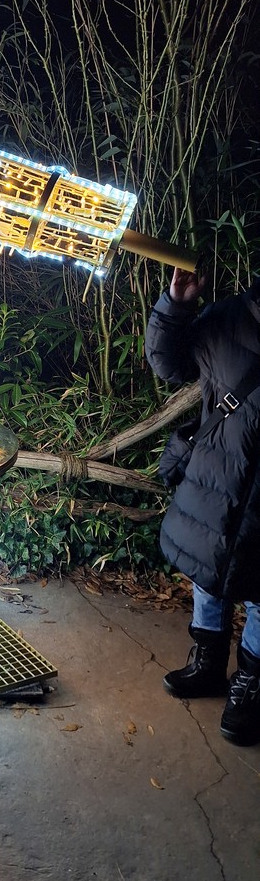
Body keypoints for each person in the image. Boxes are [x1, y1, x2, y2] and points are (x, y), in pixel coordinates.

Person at [145, 264, 260, 746]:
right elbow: (169, 364)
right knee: (207, 573)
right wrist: (176, 306)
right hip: (215, 480)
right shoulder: (231, 318)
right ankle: (208, 663)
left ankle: (250, 685)